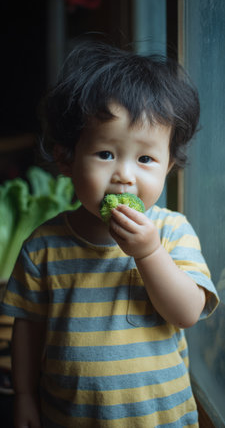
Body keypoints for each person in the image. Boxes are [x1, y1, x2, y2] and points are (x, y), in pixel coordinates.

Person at [0, 38, 219, 428]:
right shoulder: (44, 246)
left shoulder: (171, 231)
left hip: (160, 419)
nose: (124, 174)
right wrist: (25, 397)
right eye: (106, 154)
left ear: (168, 168)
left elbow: (187, 313)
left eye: (146, 158)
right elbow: (27, 328)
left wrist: (149, 252)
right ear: (66, 158)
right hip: (68, 417)